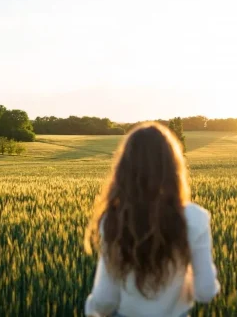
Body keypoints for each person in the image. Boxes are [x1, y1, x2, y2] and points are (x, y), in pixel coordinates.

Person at [84, 122, 220, 317]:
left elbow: (105, 299)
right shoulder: (195, 218)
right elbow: (205, 292)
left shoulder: (115, 218)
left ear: (125, 169)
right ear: (173, 166)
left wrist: (91, 310)